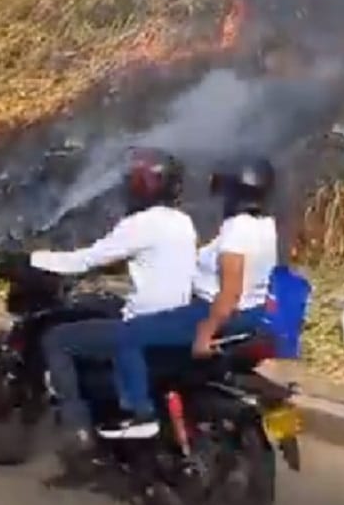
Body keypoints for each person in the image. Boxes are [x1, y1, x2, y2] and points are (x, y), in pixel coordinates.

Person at [31, 148, 196, 453]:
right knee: (104, 306)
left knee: (57, 339)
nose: (130, 185)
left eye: (137, 180)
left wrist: (34, 259)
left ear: (147, 186)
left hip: (144, 324)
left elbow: (87, 260)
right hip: (174, 321)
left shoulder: (142, 223)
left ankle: (77, 426)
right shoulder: (183, 222)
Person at [107, 156, 278, 438]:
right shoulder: (266, 226)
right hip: (252, 316)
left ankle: (140, 413)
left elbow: (230, 292)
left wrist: (205, 333)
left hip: (217, 314)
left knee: (129, 335)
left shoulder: (238, 229)